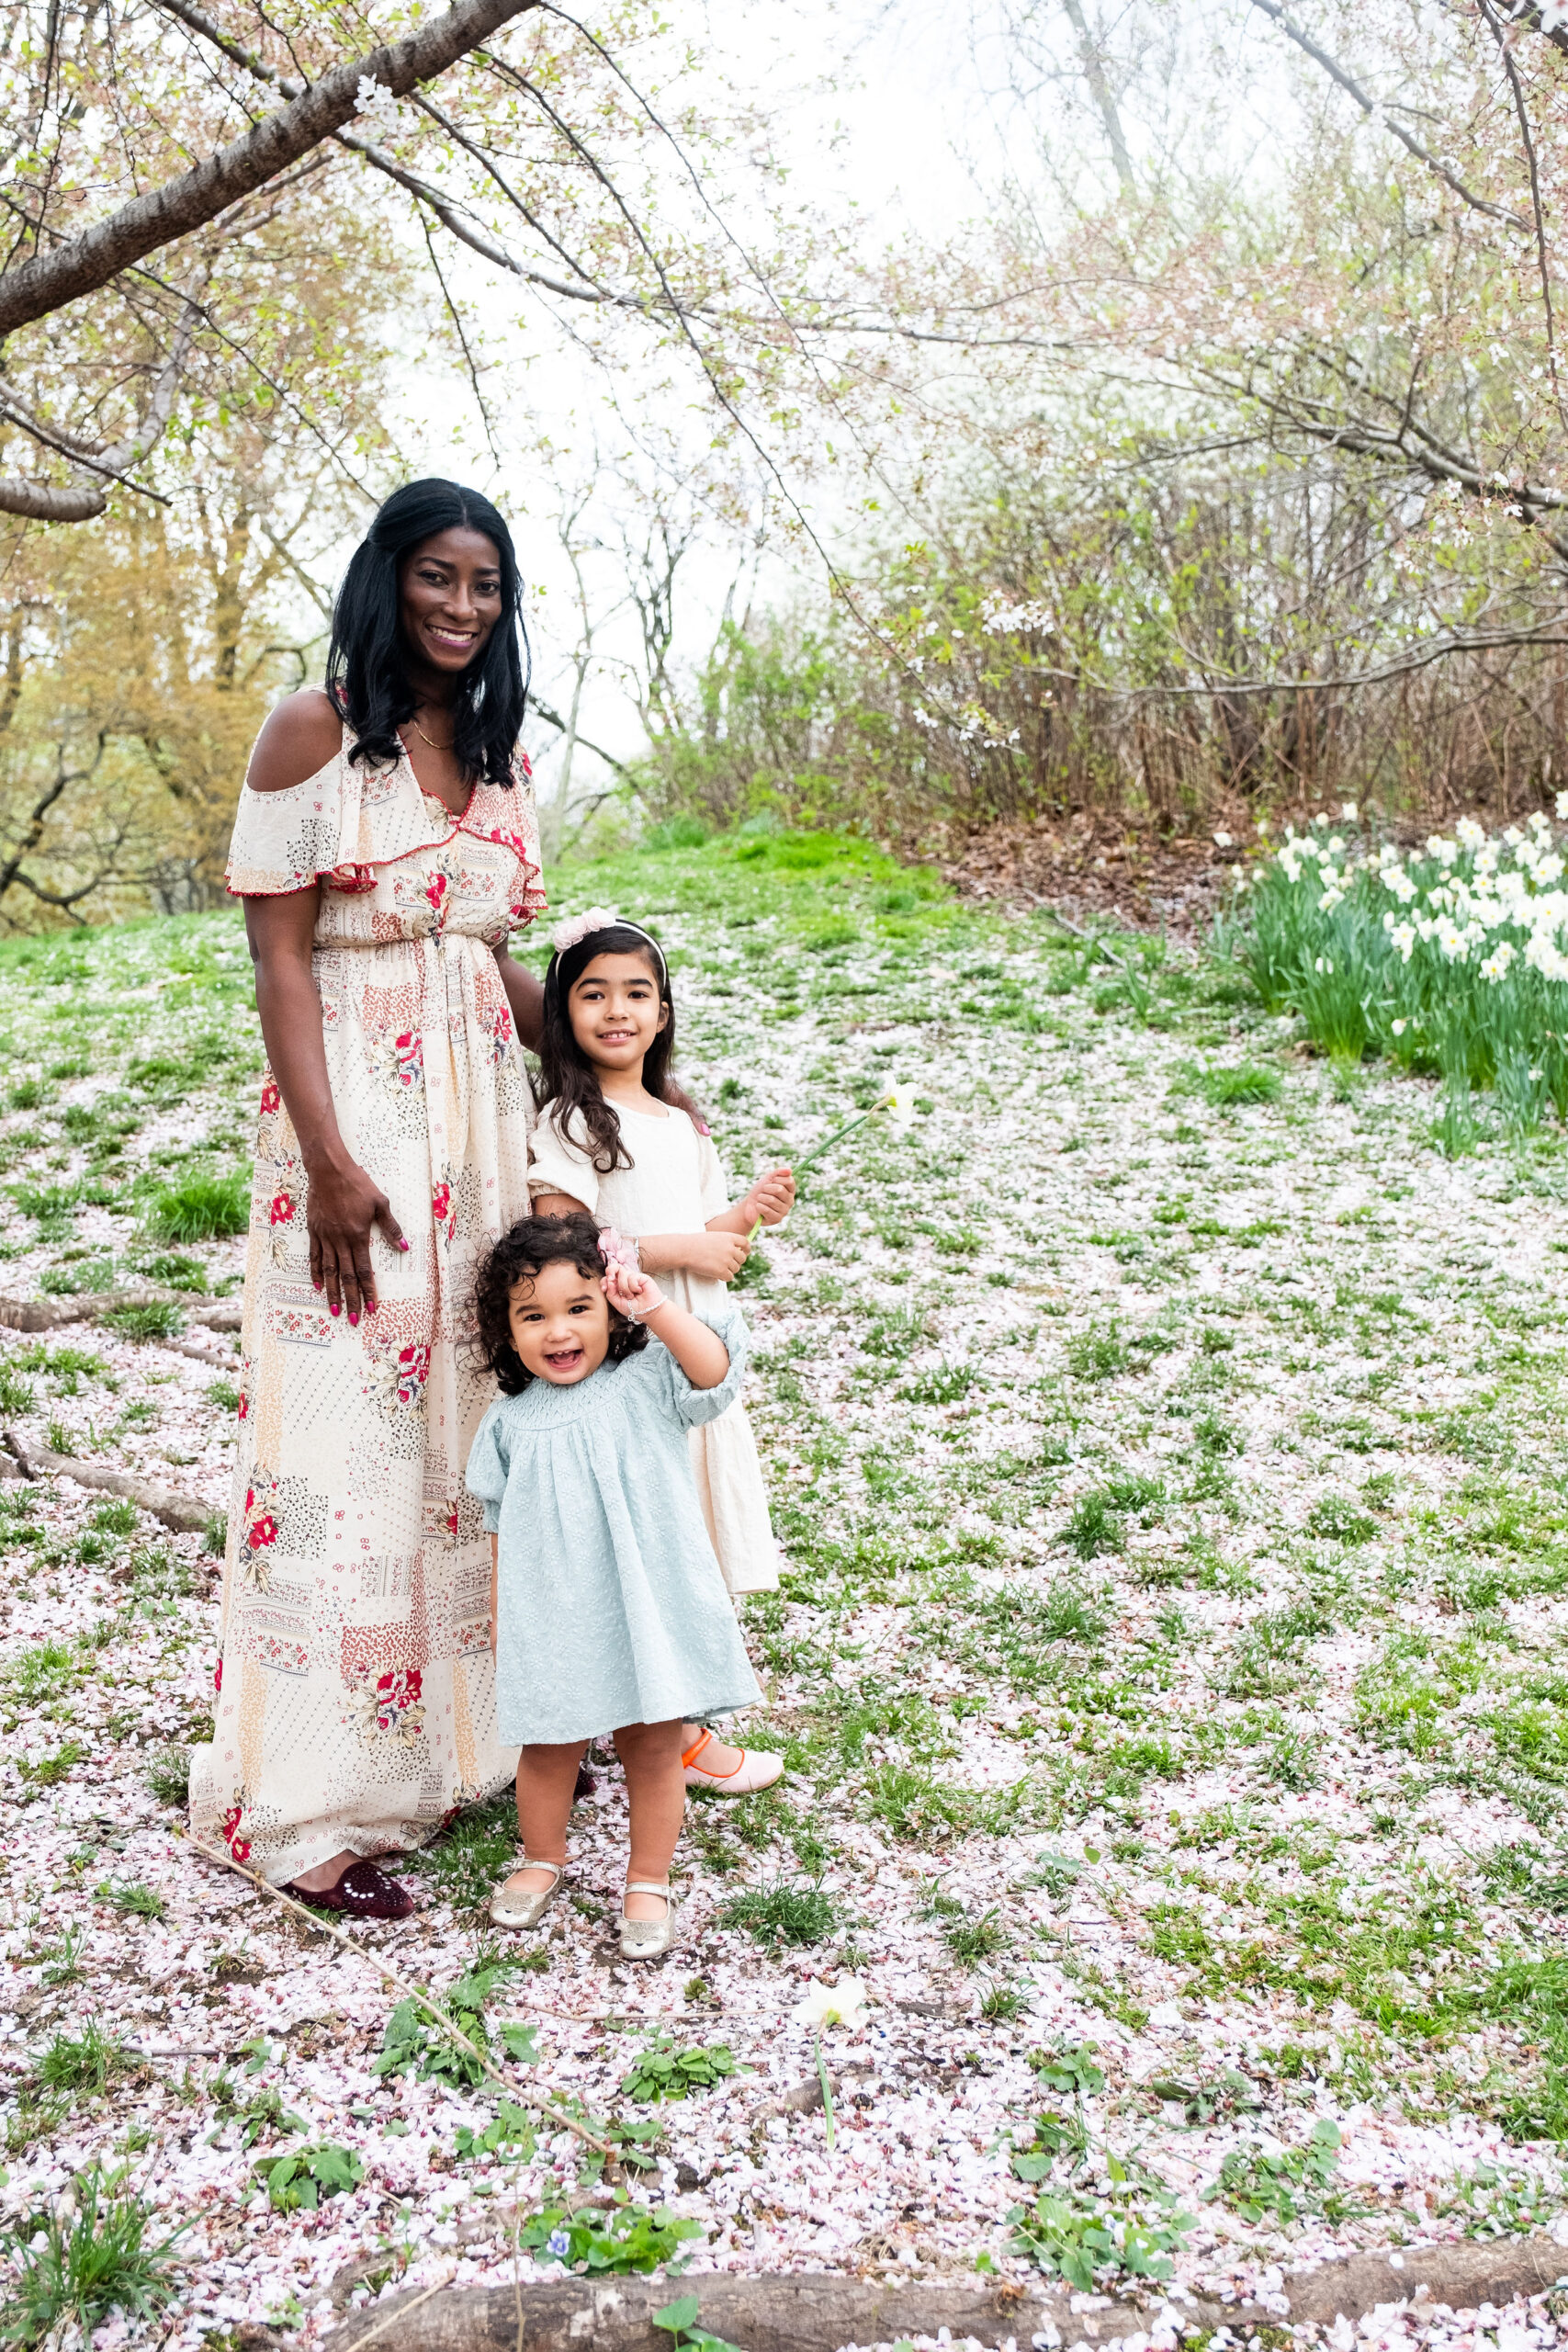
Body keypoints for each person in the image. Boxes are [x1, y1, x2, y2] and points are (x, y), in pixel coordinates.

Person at [189, 479, 547, 1919]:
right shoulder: (312, 729)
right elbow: (280, 962)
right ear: (389, 576)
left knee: (472, 1419)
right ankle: (306, 1810)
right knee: (344, 1442)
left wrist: (616, 1053)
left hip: (481, 1127)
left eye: (487, 585)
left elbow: (484, 956)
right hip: (354, 1125)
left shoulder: (498, 746)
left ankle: (462, 1746)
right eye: (439, 578)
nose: (463, 608)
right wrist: (328, 1165)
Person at [525, 910, 792, 1794]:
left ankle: (672, 1719)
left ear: (664, 1013)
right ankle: (675, 1733)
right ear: (564, 1013)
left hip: (692, 1350)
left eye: (636, 992)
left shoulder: (678, 1121)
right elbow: (559, 1236)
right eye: (592, 993)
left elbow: (701, 1225)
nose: (616, 1010)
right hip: (632, 1353)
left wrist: (743, 1215)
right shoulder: (573, 1118)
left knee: (692, 1536)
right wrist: (679, 1252)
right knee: (655, 1536)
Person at [465, 1213, 760, 1960]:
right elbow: (498, 1522)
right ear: (506, 1330)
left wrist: (652, 1306)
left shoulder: (646, 1377)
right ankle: (542, 1856)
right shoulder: (509, 1422)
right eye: (533, 1315)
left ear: (608, 1308)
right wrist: (502, 1612)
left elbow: (714, 1370)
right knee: (547, 1747)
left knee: (654, 1745)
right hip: (553, 1608)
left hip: (644, 1602)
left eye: (579, 1308)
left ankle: (648, 1879)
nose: (558, 1332)